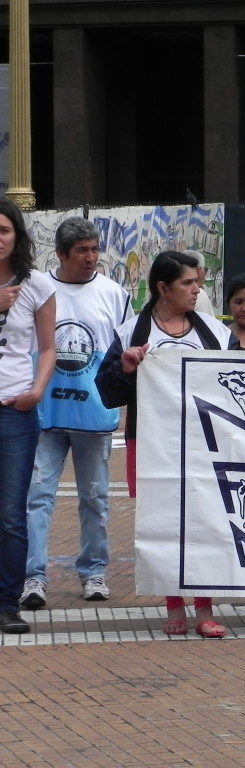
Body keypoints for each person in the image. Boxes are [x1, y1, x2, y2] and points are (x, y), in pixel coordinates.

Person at [96, 251, 245, 638]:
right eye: (187, 284)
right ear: (162, 288)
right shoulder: (131, 333)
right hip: (151, 443)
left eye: (198, 283)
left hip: (206, 445)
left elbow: (238, 385)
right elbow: (106, 393)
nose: (197, 290)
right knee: (161, 521)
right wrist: (124, 368)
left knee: (207, 519)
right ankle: (173, 604)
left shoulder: (214, 332)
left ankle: (205, 607)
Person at [21, 217, 131, 612]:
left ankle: (94, 570)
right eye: (82, 250)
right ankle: (32, 576)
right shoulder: (37, 287)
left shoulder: (115, 293)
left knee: (96, 497)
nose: (91, 258)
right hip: (44, 412)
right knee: (37, 497)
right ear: (62, 254)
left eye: (95, 249)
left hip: (95, 414)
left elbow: (123, 353)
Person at [0, 200, 56, 634]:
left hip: (15, 412)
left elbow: (47, 347)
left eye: (3, 230)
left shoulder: (36, 285)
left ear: (17, 235)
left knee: (12, 514)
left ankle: (7, 603)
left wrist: (36, 391)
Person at [183, 250, 215, 315]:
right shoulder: (201, 295)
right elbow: (207, 323)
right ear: (199, 270)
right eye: (205, 269)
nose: (197, 291)